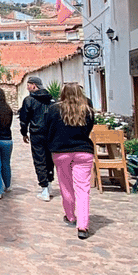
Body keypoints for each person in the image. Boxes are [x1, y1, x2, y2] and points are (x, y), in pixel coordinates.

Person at [45, 82, 95, 240]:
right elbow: (89, 129)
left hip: (61, 151)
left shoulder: (54, 109)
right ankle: (83, 226)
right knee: (83, 188)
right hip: (83, 151)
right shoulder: (87, 109)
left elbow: (47, 129)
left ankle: (70, 216)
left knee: (65, 185)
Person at [19, 76, 55, 201]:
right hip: (50, 134)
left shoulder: (29, 100)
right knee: (49, 159)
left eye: (29, 85)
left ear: (34, 85)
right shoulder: (51, 100)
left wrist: (24, 133)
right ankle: (49, 183)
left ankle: (44, 187)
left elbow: (24, 119)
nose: (27, 87)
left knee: (39, 159)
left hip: (36, 133)